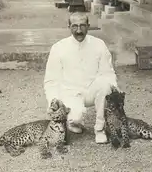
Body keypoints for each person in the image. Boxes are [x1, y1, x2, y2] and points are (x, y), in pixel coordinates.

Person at [44, 11, 118, 144]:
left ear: (88, 26)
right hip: (70, 92)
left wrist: (114, 91)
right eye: (75, 26)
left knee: (105, 84)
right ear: (69, 27)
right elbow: (51, 80)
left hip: (91, 90)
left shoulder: (99, 44)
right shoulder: (58, 48)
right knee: (75, 118)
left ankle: (99, 129)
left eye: (82, 26)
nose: (79, 30)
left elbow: (108, 72)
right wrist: (53, 101)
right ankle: (74, 122)